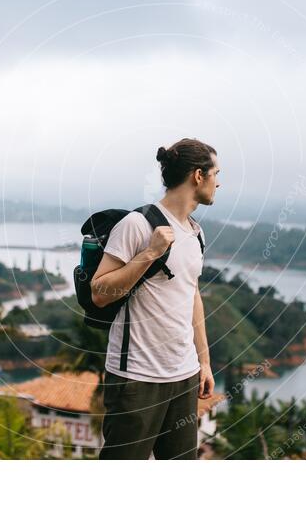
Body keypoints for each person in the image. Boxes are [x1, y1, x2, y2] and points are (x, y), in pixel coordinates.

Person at [92, 138, 220, 459]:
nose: (219, 182)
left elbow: (192, 295)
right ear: (198, 175)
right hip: (136, 377)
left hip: (184, 375)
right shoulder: (138, 224)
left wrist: (203, 362)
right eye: (216, 173)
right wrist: (150, 253)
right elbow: (99, 293)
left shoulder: (195, 233)